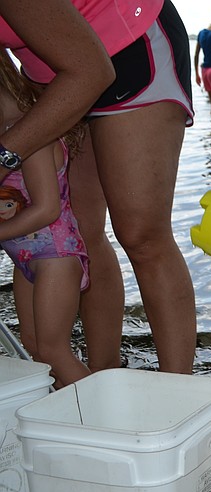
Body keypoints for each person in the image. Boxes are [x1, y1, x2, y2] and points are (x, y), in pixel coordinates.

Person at [1, 0, 198, 375]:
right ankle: (104, 377)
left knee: (142, 235)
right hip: (50, 73)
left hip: (128, 47)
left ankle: (180, 390)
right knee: (81, 233)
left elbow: (91, 70)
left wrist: (5, 156)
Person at [0, 50, 90, 388]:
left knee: (54, 350)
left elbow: (46, 209)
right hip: (26, 259)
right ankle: (67, 419)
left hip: (55, 255)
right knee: (35, 345)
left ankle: (105, 426)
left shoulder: (31, 135)